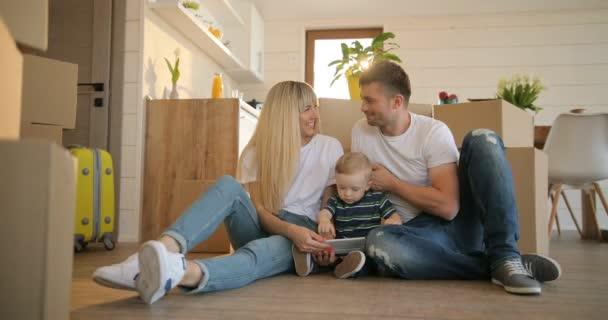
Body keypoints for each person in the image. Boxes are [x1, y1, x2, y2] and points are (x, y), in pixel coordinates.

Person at [317, 60, 562, 295]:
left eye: (370, 100)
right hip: (412, 234)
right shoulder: (361, 130)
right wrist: (332, 226)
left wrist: (393, 184)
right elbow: (359, 189)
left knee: (483, 138)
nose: (363, 107)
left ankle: (506, 253)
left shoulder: (432, 132)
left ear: (397, 102)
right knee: (378, 242)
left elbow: (448, 208)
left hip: (454, 223)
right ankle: (499, 265)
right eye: (363, 99)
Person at [92, 81, 346, 304]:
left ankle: (176, 273)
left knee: (259, 254)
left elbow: (329, 207)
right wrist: (289, 229)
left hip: (300, 237)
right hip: (269, 225)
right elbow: (259, 211)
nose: (315, 114)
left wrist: (317, 238)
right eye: (307, 108)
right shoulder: (257, 152)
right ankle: (154, 254)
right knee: (227, 184)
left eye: (315, 106)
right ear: (285, 114)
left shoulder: (329, 147)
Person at [292, 152, 401, 279]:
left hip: (365, 250)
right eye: (342, 188)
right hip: (339, 249)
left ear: (367, 185)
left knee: (368, 262)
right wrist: (324, 220)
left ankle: (345, 268)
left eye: (354, 189)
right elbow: (324, 212)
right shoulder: (336, 201)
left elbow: (396, 217)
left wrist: (392, 221)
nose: (347, 194)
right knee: (323, 249)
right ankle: (309, 261)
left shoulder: (378, 199)